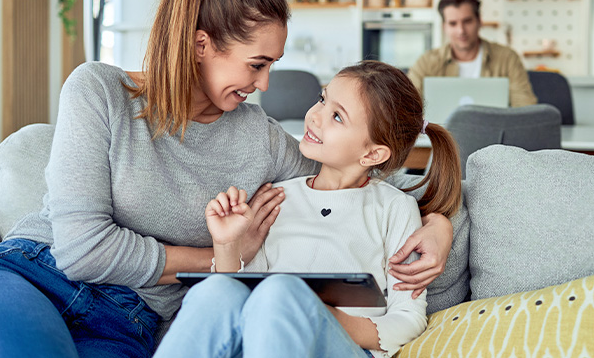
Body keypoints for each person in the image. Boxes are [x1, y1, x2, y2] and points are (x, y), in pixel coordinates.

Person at [0, 0, 453, 357]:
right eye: (256, 64)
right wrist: (224, 256)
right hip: (33, 273)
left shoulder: (260, 137)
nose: (267, 84)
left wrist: (437, 224)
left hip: (130, 323)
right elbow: (80, 248)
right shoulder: (99, 91)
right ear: (202, 45)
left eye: (272, 64)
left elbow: (357, 179)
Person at [154, 61, 462, 358]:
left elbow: (408, 321)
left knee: (281, 292)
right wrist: (226, 244)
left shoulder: (394, 208)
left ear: (373, 153)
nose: (315, 116)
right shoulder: (279, 195)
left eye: (337, 116)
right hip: (268, 339)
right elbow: (244, 294)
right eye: (322, 99)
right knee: (216, 292)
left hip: (345, 346)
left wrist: (314, 314)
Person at [408, 0, 537, 107]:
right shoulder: (425, 63)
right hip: (442, 132)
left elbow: (525, 108)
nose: (461, 31)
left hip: (494, 132)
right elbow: (406, 109)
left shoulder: (508, 58)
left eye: (467, 21)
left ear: (479, 21)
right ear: (444, 27)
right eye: (453, 24)